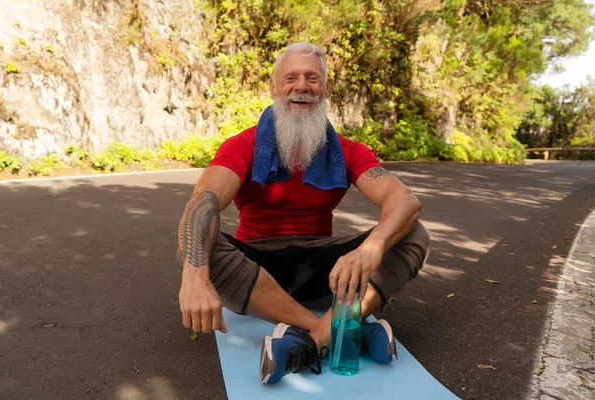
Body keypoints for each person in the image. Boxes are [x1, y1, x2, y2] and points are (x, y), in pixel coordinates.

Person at [176, 42, 430, 384]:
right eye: (291, 77)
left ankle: (307, 342)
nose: (301, 87)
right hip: (257, 270)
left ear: (324, 88)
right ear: (274, 87)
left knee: (413, 233)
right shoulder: (243, 145)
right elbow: (203, 201)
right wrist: (193, 276)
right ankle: (340, 331)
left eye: (312, 78)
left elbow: (404, 200)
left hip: (323, 272)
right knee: (193, 244)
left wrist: (372, 248)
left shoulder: (348, 151)